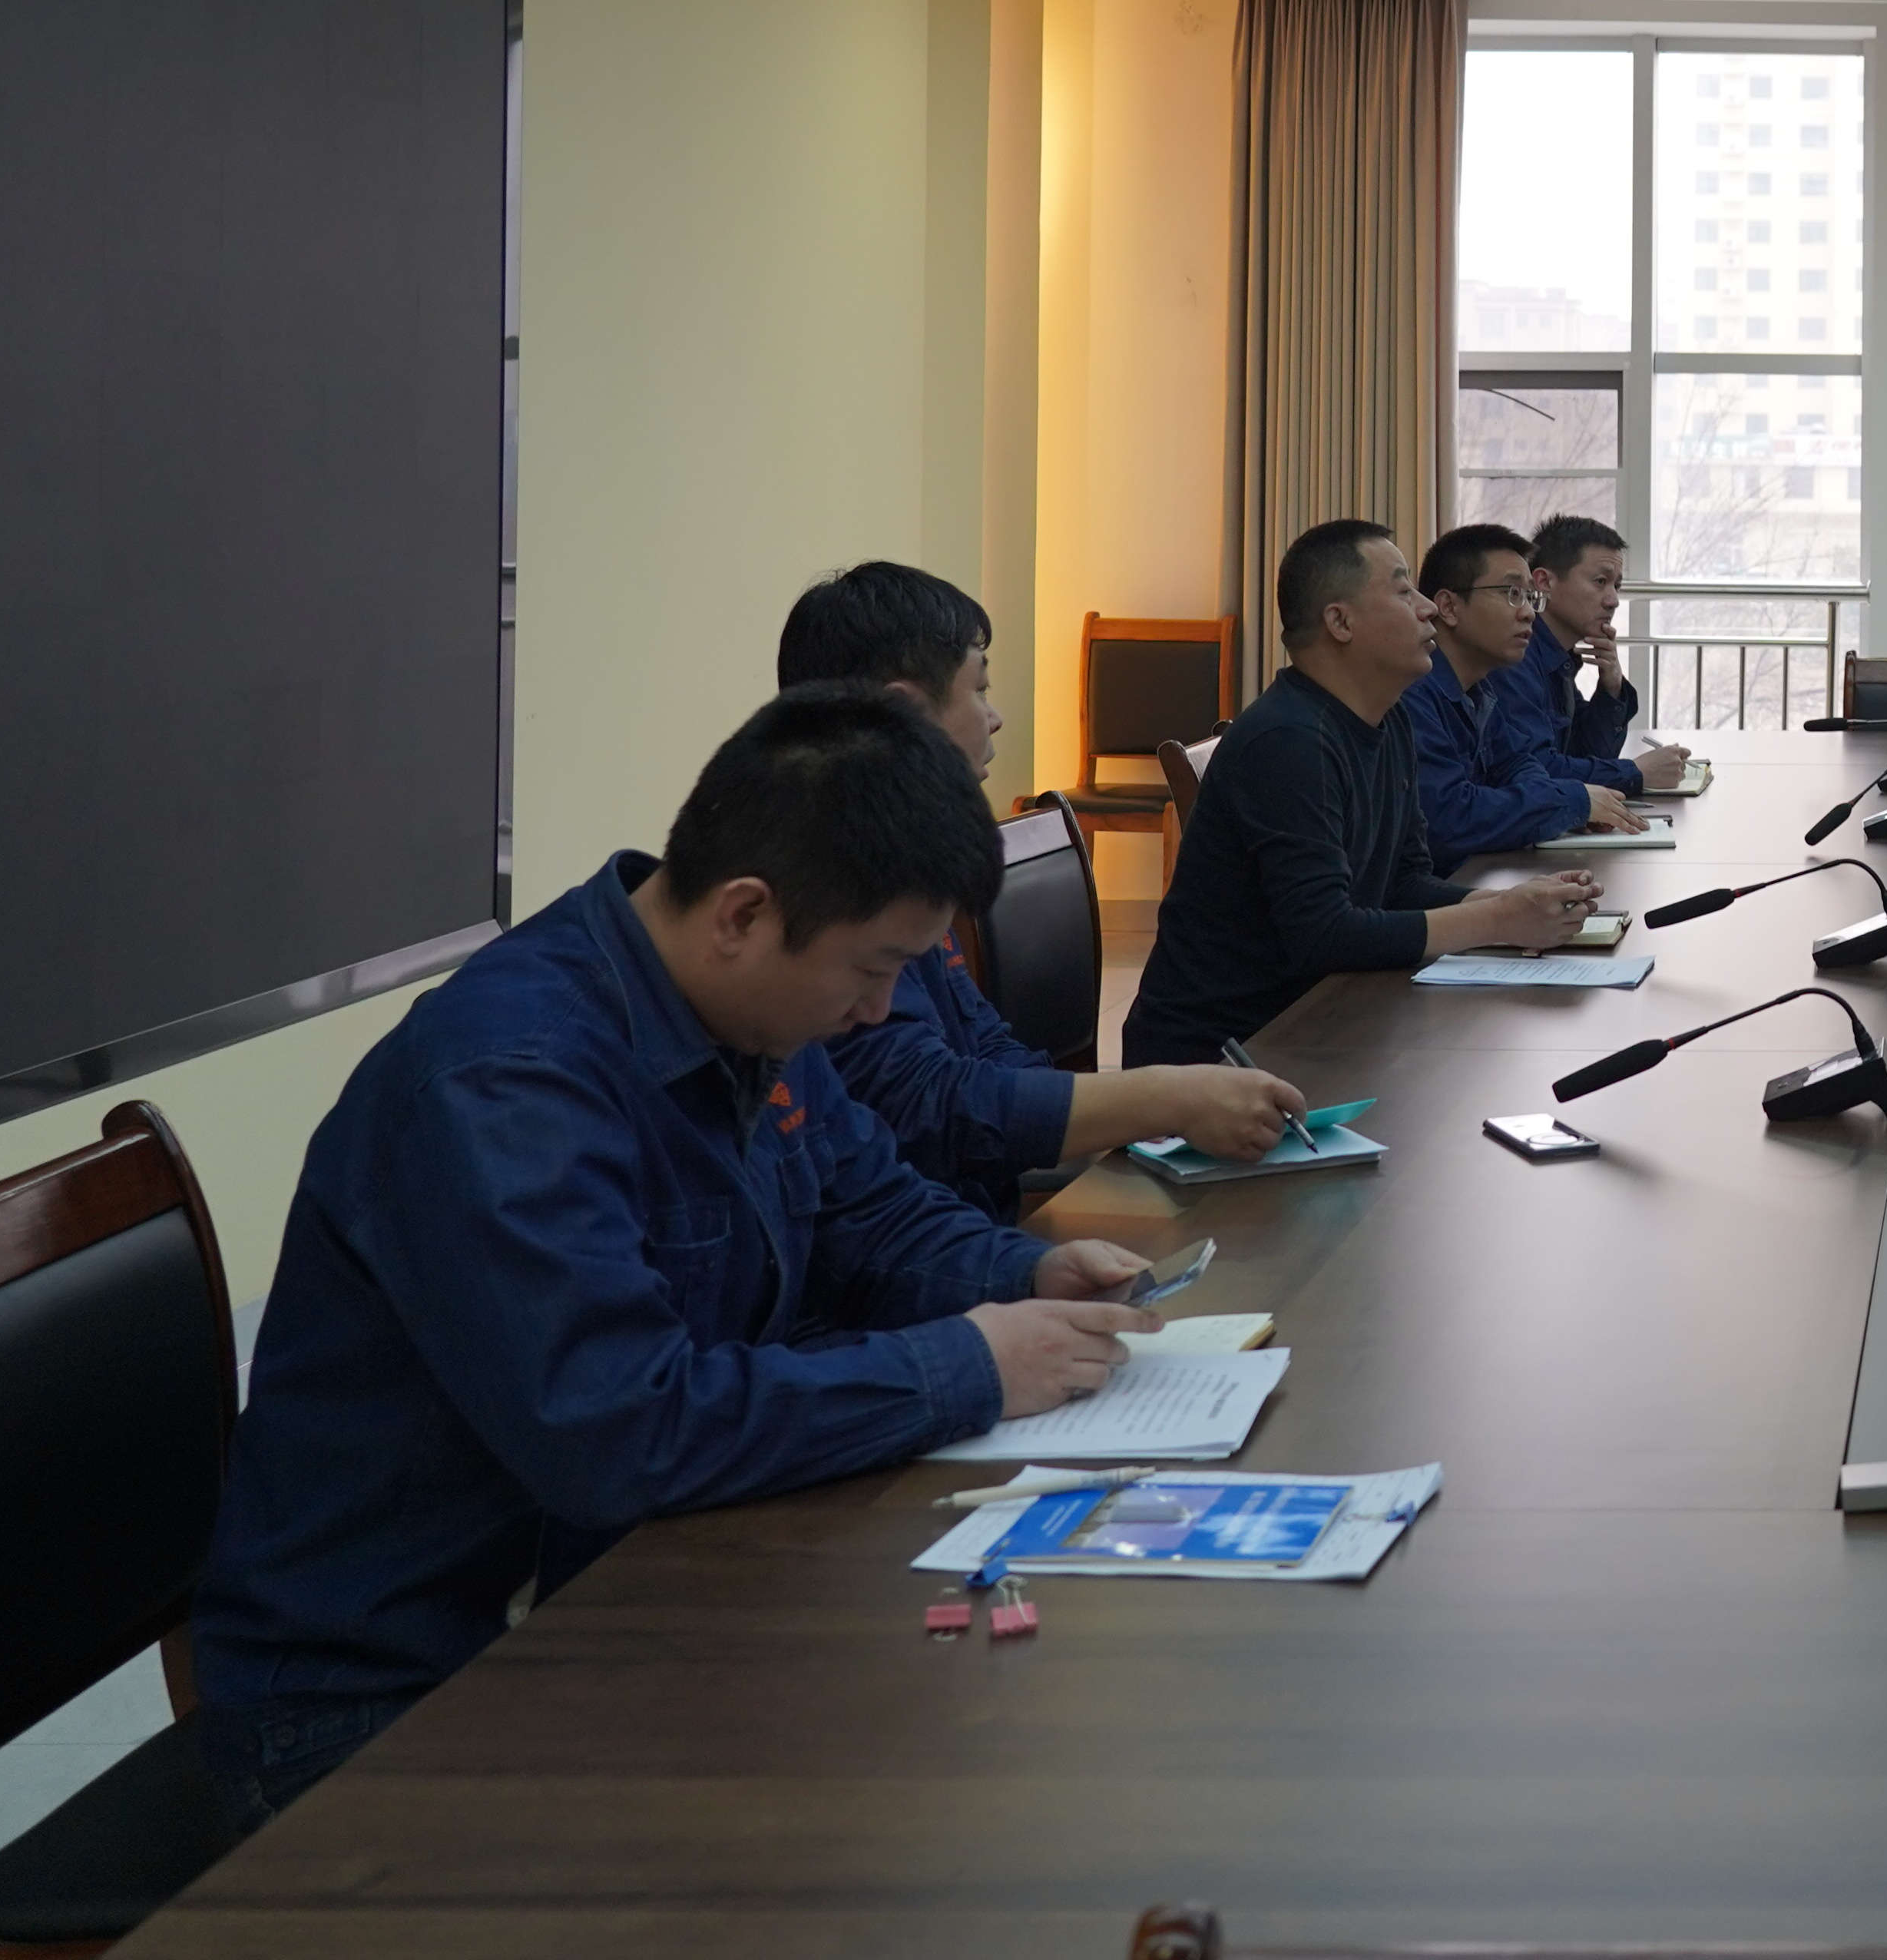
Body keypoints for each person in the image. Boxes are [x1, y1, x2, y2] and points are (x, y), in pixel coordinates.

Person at [189, 688, 1170, 1825]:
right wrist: (968, 1366)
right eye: (871, 970)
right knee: (855, 1826)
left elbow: (869, 1207)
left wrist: (1020, 1273)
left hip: (617, 1580)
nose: (879, 1011)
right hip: (385, 1695)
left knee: (941, 1765)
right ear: (743, 913)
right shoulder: (507, 1085)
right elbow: (625, 1429)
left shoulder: (752, 1013)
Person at [776, 560, 1301, 1209]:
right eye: (980, 690)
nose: (994, 718)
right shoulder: (832, 882)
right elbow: (929, 1107)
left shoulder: (899, 854)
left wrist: (1127, 1114)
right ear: (902, 711)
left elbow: (988, 1045)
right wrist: (1158, 1099)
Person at [1122, 520, 1599, 1066]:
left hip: (1320, 1018)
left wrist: (1511, 903)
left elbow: (1403, 883)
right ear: (1340, 622)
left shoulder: (1387, 719)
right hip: (1227, 1054)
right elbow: (1324, 935)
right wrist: (1496, 921)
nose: (1426, 608)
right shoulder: (1289, 740)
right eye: (1402, 590)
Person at [1405, 521, 1652, 863]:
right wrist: (1572, 801)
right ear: (1447, 607)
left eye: (1528, 597)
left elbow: (1520, 763)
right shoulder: (1413, 692)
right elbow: (1450, 818)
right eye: (1512, 594)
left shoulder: (1479, 688)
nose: (1528, 613)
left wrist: (1565, 804)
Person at [1499, 512, 1691, 798]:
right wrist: (1636, 772)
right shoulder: (1515, 656)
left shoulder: (1559, 659)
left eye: (1617, 586)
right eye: (1600, 582)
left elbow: (1587, 754)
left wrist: (1611, 689)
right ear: (1544, 582)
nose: (1613, 600)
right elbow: (1537, 770)